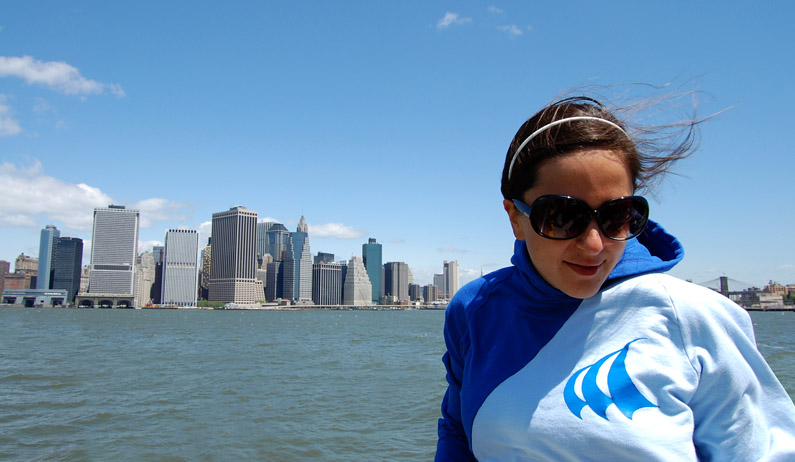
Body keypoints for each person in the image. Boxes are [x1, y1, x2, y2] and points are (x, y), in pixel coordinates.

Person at [435, 95, 795, 461]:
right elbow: (457, 431)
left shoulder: (693, 317)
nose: (594, 245)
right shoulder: (474, 309)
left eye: (617, 215)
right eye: (561, 217)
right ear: (515, 218)